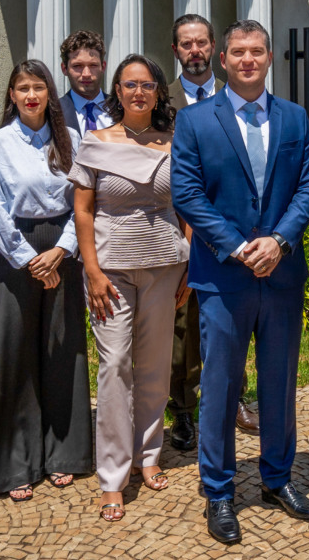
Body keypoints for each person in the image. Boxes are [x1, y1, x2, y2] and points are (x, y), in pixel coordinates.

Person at [172, 20, 309, 545]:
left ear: (269, 56)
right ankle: (219, 491)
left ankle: (277, 481)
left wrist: (278, 242)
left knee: (279, 382)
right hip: (223, 276)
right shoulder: (194, 121)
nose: (247, 60)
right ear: (223, 58)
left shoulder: (295, 118)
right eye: (238, 52)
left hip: (281, 273)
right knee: (220, 386)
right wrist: (239, 247)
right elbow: (188, 194)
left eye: (256, 51)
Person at [69, 53, 190, 523]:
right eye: (128, 84)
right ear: (116, 92)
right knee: (115, 366)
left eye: (146, 84)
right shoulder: (95, 143)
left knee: (156, 364)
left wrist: (186, 259)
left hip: (164, 266)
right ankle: (113, 476)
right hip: (111, 271)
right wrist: (92, 270)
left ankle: (149, 454)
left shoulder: (175, 143)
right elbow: (82, 211)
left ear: (158, 91)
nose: (137, 91)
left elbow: (188, 206)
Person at [0, 59, 93, 500]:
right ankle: (15, 463)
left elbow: (83, 201)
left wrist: (62, 251)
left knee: (63, 352)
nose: (31, 95)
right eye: (22, 88)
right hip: (17, 251)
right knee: (17, 353)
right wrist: (29, 259)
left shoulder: (72, 141)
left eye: (38, 88)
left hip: (64, 246)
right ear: (11, 95)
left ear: (49, 93)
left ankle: (64, 452)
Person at [165, 14, 258, 448]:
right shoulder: (161, 100)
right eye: (187, 44)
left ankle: (234, 397)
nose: (195, 51)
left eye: (202, 42)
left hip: (230, 236)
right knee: (181, 325)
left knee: (228, 319)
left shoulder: (238, 97)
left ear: (215, 51)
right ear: (176, 51)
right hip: (175, 228)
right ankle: (182, 410)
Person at [59, 30, 112, 134]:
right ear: (64, 69)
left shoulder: (121, 109)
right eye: (77, 66)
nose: (86, 74)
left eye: (93, 65)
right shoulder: (53, 112)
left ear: (103, 67)